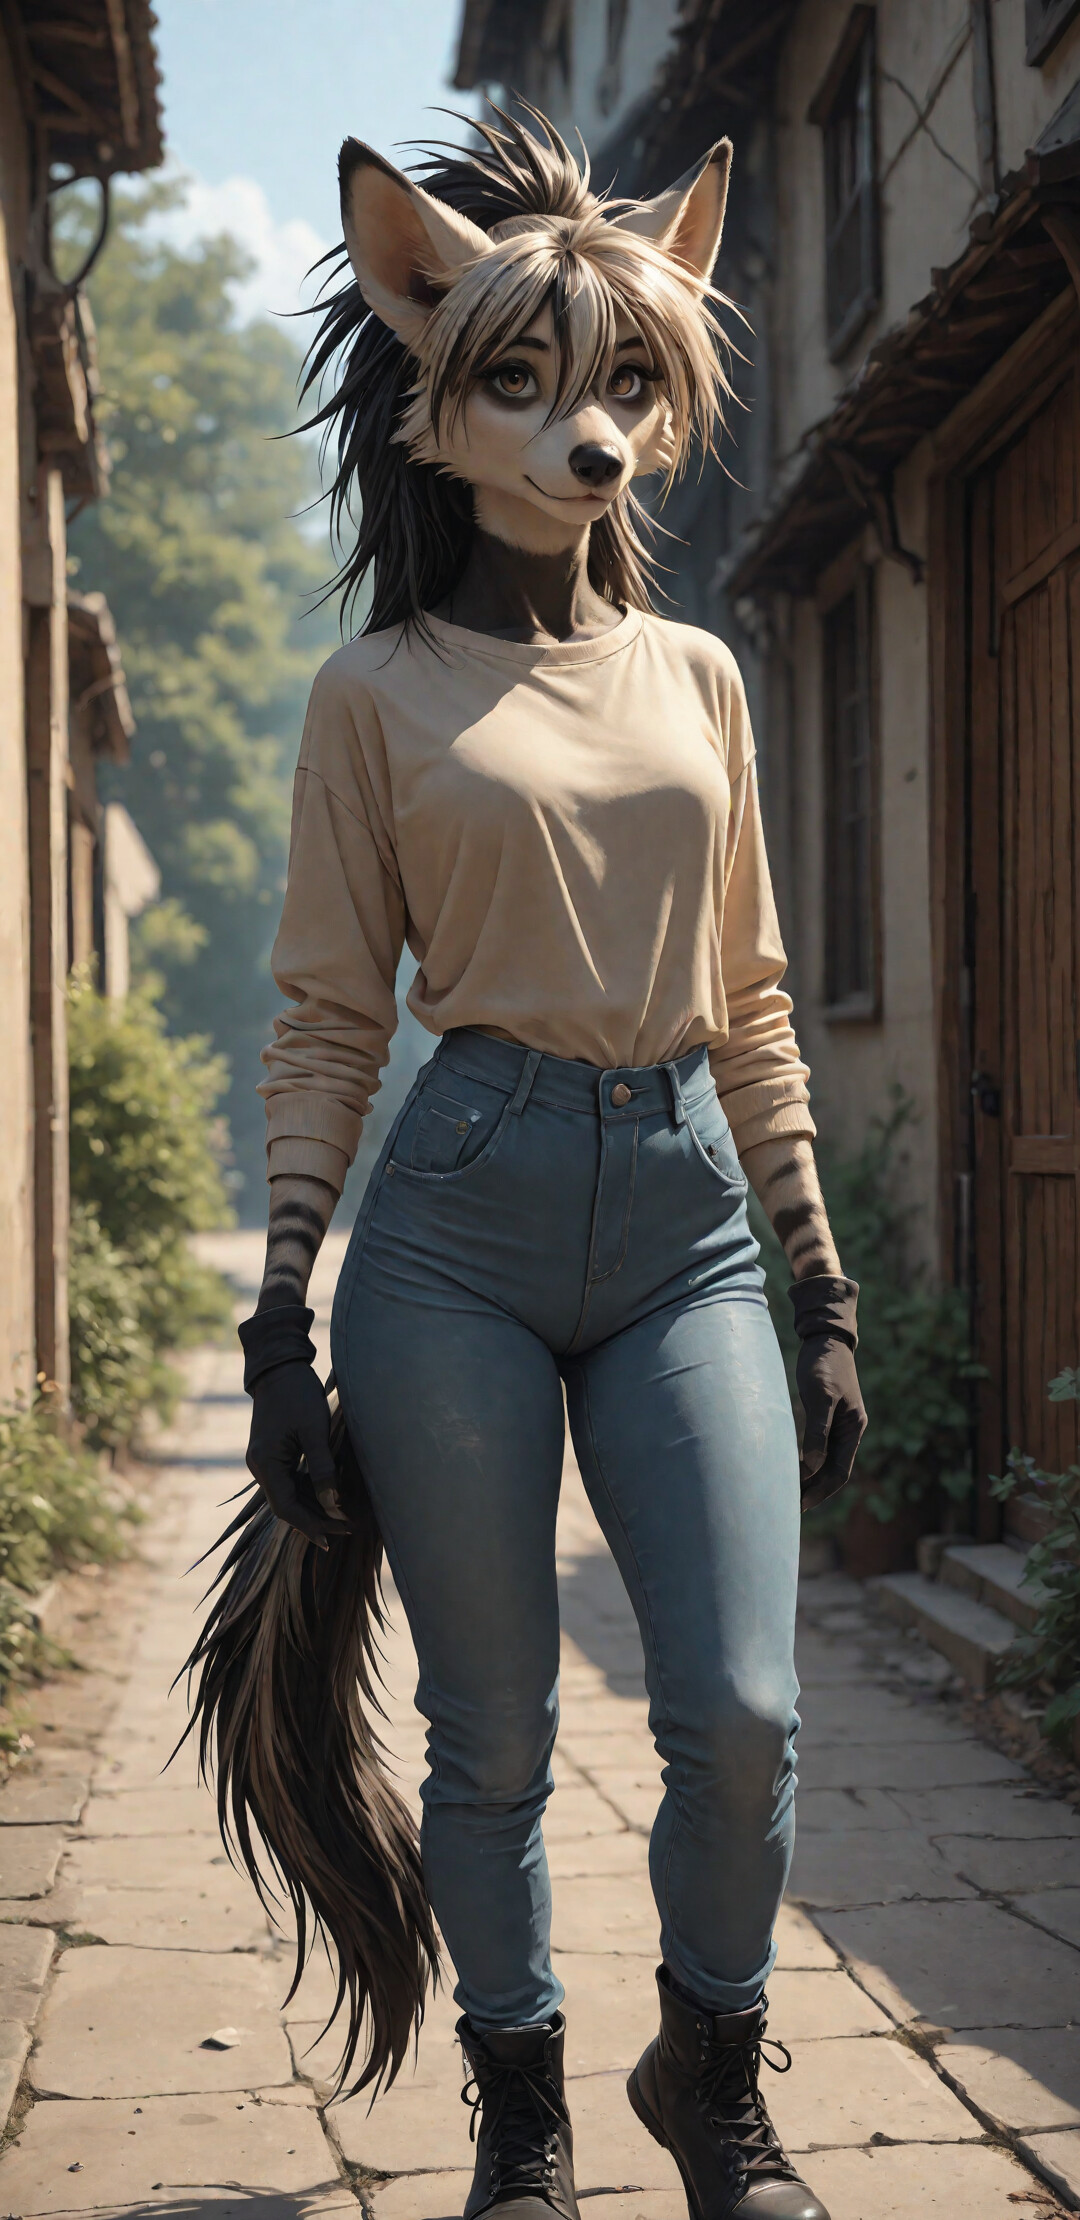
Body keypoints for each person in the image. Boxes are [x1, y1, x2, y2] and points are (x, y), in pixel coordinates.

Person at [223, 110, 866, 2220]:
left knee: (746, 1714)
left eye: (619, 383)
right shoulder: (373, 696)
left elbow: (756, 995)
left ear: (662, 397)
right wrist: (278, 1320)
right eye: (524, 380)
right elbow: (329, 1015)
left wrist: (823, 1281)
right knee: (491, 1741)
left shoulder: (700, 676)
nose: (583, 430)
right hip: (456, 1231)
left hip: (685, 1218)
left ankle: (716, 2068)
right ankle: (524, 2116)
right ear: (437, 375)